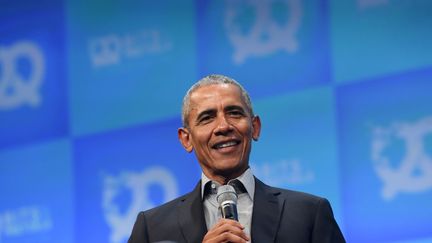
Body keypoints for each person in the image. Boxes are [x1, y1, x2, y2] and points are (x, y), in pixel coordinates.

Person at [128, 74, 345, 243]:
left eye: (234, 113)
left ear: (255, 127)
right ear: (186, 139)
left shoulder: (309, 213)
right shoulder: (152, 227)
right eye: (207, 118)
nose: (223, 126)